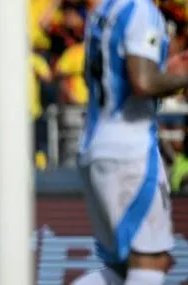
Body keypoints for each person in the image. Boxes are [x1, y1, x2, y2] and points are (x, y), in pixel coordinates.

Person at [73, 0, 188, 284]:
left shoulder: (103, 11)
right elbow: (143, 82)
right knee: (151, 260)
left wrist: (168, 71)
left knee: (122, 269)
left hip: (96, 142)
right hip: (129, 148)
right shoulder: (140, 10)